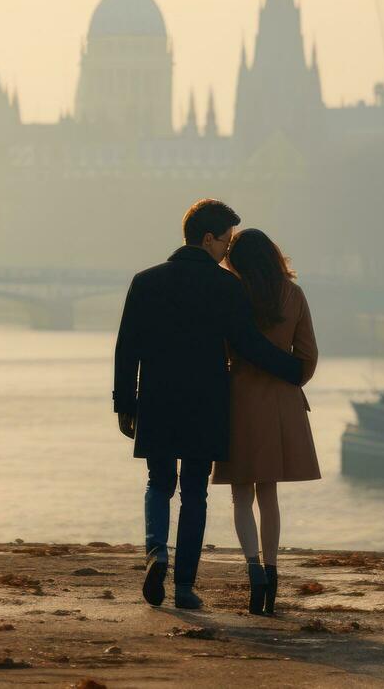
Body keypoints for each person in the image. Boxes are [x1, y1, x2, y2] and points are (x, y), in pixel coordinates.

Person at [114, 199, 304, 610]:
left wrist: (124, 404)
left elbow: (126, 350)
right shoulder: (225, 286)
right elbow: (247, 344)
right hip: (206, 402)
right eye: (226, 241)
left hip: (157, 399)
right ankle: (184, 587)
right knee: (194, 494)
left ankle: (155, 553)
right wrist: (291, 369)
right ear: (208, 239)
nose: (227, 250)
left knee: (158, 483)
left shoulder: (145, 281)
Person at [212, 228, 321, 616]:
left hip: (239, 398)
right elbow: (307, 356)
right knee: (268, 494)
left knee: (240, 494)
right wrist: (289, 382)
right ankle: (273, 571)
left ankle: (253, 569)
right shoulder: (293, 295)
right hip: (280, 402)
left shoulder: (232, 293)